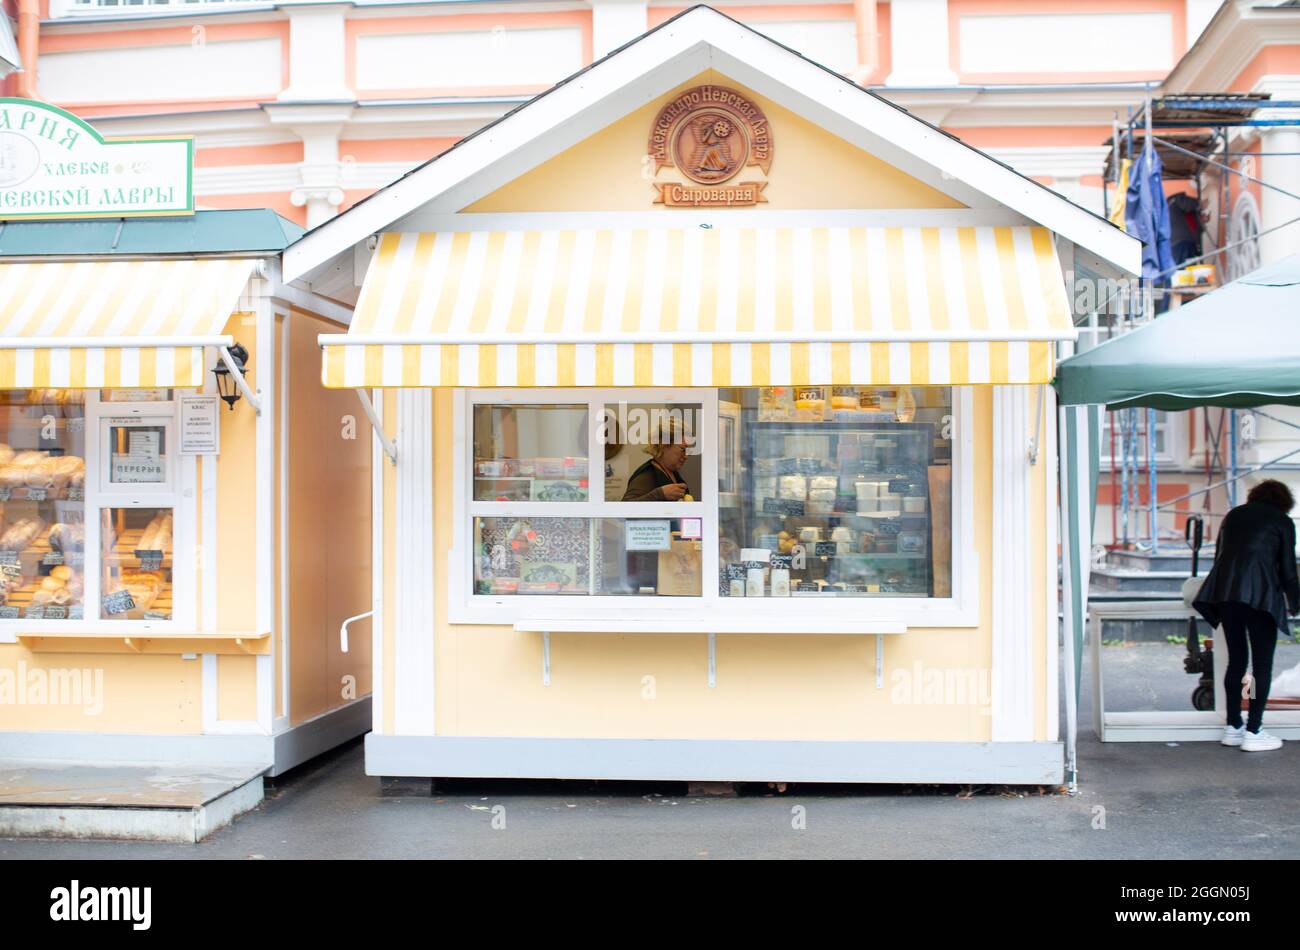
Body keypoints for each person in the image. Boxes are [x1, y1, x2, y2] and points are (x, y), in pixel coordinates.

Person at [1194, 479, 1300, 752]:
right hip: (1261, 599)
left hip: (1226, 595)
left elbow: (1220, 556)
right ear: (1283, 501)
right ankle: (1254, 730)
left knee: (1236, 662)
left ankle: (1233, 726)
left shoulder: (1234, 516)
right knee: (1261, 666)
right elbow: (1288, 569)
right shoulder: (1282, 521)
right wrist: (1295, 603)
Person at [622, 421, 692, 502]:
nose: (686, 456)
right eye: (683, 449)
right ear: (663, 445)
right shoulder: (647, 474)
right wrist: (659, 494)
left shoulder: (671, 472)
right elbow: (624, 507)